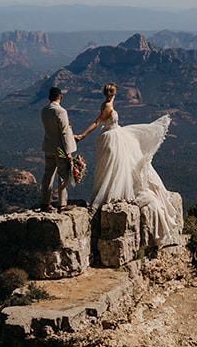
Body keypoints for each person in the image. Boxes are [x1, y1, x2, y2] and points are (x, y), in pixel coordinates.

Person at [78, 82, 182, 242]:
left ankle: (112, 189)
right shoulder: (107, 107)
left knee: (121, 166)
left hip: (116, 135)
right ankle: (110, 192)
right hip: (111, 138)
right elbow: (97, 122)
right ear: (114, 93)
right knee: (115, 166)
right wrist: (82, 135)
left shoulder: (108, 104)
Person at [39, 86, 77, 211]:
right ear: (61, 97)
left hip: (48, 146)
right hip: (60, 148)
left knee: (48, 175)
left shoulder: (44, 110)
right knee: (63, 176)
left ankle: (45, 203)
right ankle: (62, 204)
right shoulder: (61, 112)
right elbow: (64, 132)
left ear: (49, 98)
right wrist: (68, 152)